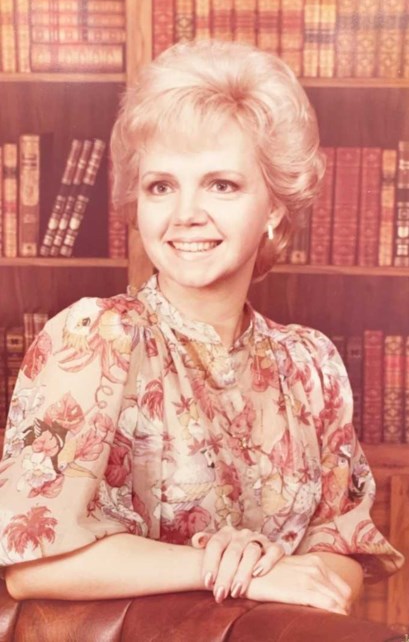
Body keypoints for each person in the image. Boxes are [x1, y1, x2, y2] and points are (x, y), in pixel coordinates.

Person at [0, 40, 404, 614]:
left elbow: (341, 555)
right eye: (161, 186)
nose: (186, 213)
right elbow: (30, 564)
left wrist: (280, 567)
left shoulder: (312, 365)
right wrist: (233, 570)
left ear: (274, 208)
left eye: (222, 184)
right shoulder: (95, 338)